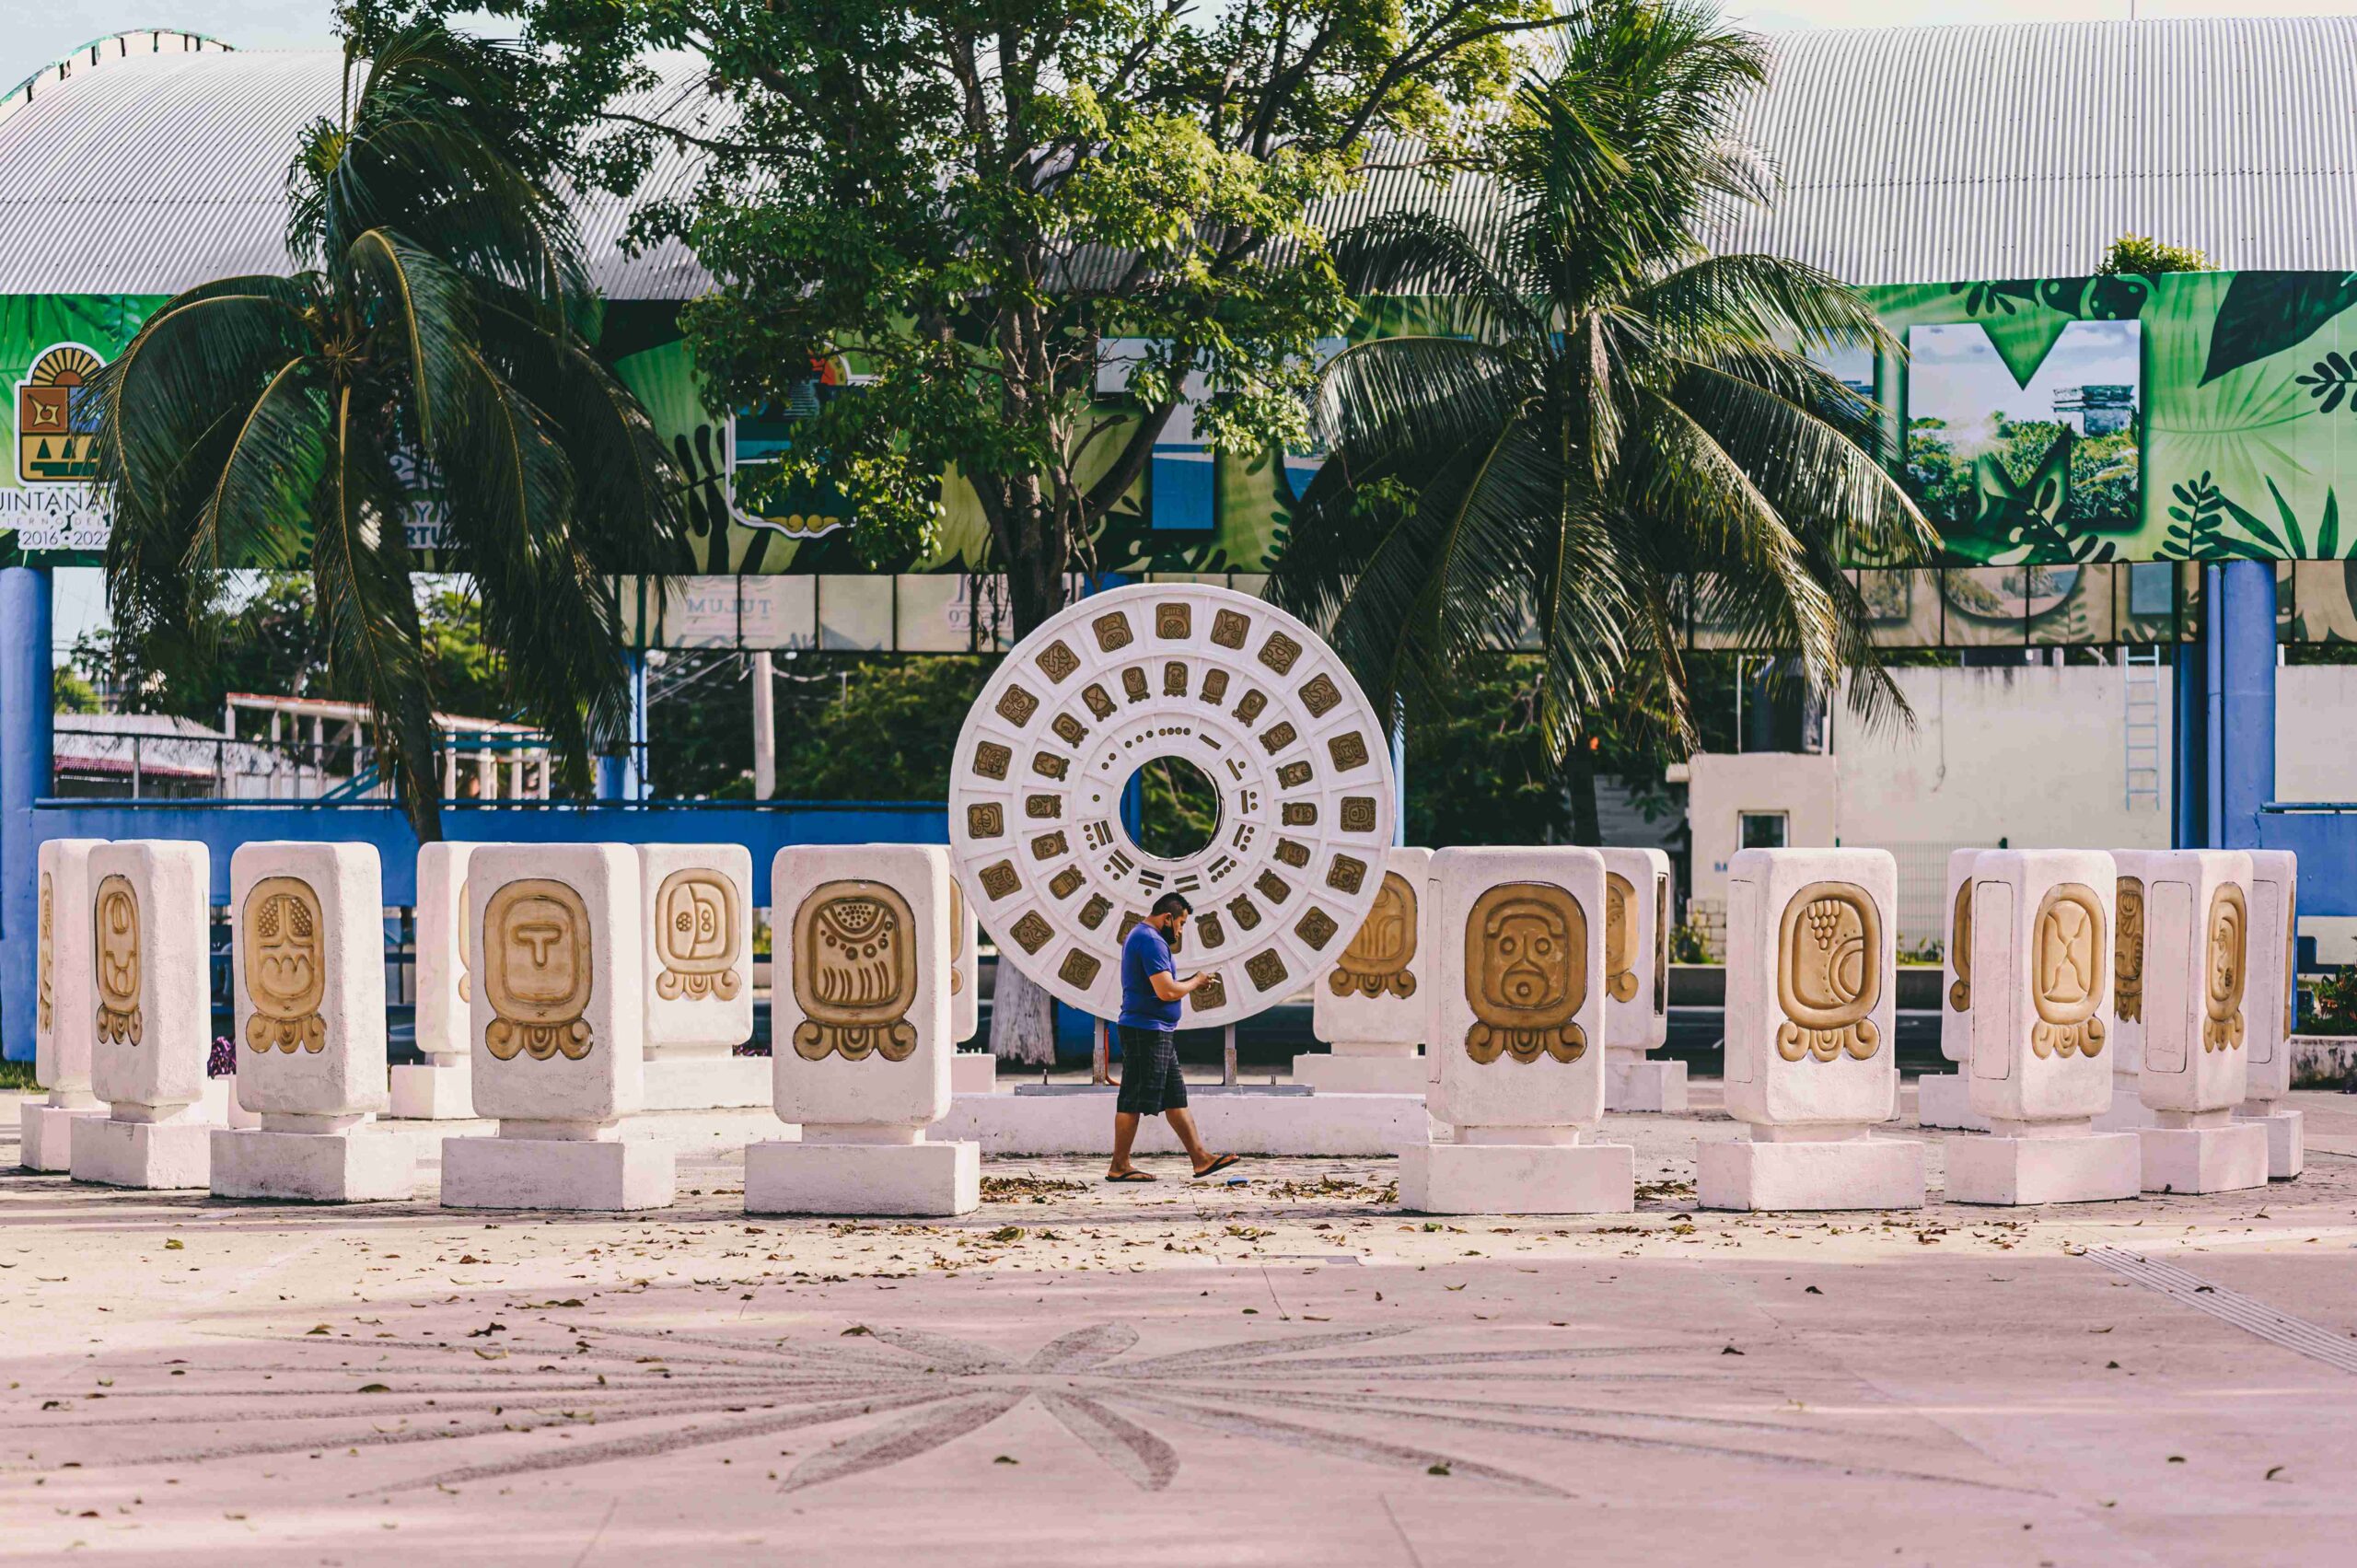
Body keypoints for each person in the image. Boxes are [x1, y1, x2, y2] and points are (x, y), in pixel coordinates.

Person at [1107, 892, 1238, 1182]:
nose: (1180, 931)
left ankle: (1201, 1159)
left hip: (1157, 1030)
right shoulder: (1151, 940)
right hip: (1146, 1031)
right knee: (1132, 1097)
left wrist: (1189, 985)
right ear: (1167, 917)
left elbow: (1164, 986)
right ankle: (1119, 1165)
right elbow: (1165, 991)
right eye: (1180, 923)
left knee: (1176, 1099)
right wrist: (1196, 981)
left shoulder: (1144, 937)